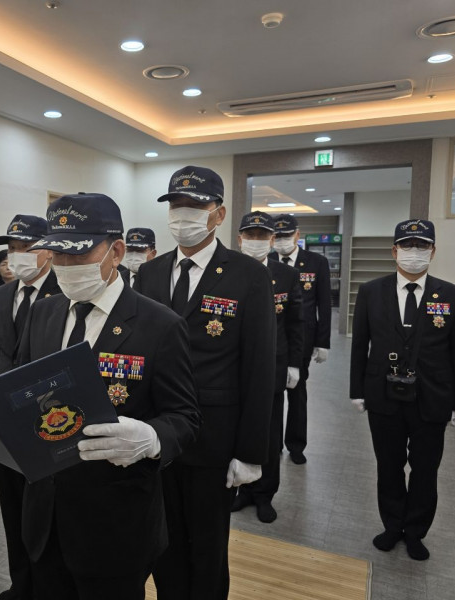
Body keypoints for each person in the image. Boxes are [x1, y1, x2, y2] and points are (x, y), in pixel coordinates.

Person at [0, 193, 200, 600]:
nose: (64, 265)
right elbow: (18, 397)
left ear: (116, 252)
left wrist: (151, 439)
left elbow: (184, 417)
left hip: (115, 520)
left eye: (77, 254)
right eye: (57, 254)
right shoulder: (44, 313)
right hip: (46, 517)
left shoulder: (159, 325)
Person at [135, 166, 276, 600]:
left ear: (219, 214)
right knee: (163, 540)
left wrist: (251, 452)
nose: (184, 215)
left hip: (214, 437)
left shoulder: (248, 274)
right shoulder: (150, 273)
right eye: (176, 206)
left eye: (195, 206)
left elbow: (259, 368)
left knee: (208, 545)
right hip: (156, 432)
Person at [350, 218, 455, 561]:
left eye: (421, 245)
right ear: (394, 251)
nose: (413, 252)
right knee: (388, 465)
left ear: (433, 251)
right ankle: (392, 525)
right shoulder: (371, 291)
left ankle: (415, 531)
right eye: (407, 245)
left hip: (432, 397)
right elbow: (360, 345)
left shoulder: (452, 295)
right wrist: (357, 390)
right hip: (382, 394)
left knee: (425, 469)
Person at [0, 214, 61, 600]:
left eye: (26, 247)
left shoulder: (64, 294)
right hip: (5, 421)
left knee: (44, 516)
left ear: (48, 250)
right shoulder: (1, 295)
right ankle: (20, 585)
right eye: (12, 248)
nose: (17, 256)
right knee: (12, 508)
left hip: (48, 418)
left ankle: (46, 587)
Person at [231, 212, 304, 523]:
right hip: (234, 367)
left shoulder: (286, 275)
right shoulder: (228, 271)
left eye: (262, 236)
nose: (256, 241)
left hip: (273, 366)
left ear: (272, 240)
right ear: (240, 239)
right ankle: (242, 489)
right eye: (251, 235)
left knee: (270, 434)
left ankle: (264, 493)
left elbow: (296, 323)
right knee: (237, 429)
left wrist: (295, 364)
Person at [269, 214, 332, 465]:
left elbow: (324, 304)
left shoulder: (316, 262)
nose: (282, 240)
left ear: (297, 235)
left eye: (286, 235)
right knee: (272, 395)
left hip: (302, 338)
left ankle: (296, 444)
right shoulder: (268, 260)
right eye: (278, 236)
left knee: (297, 393)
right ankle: (273, 443)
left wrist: (323, 342)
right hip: (273, 338)